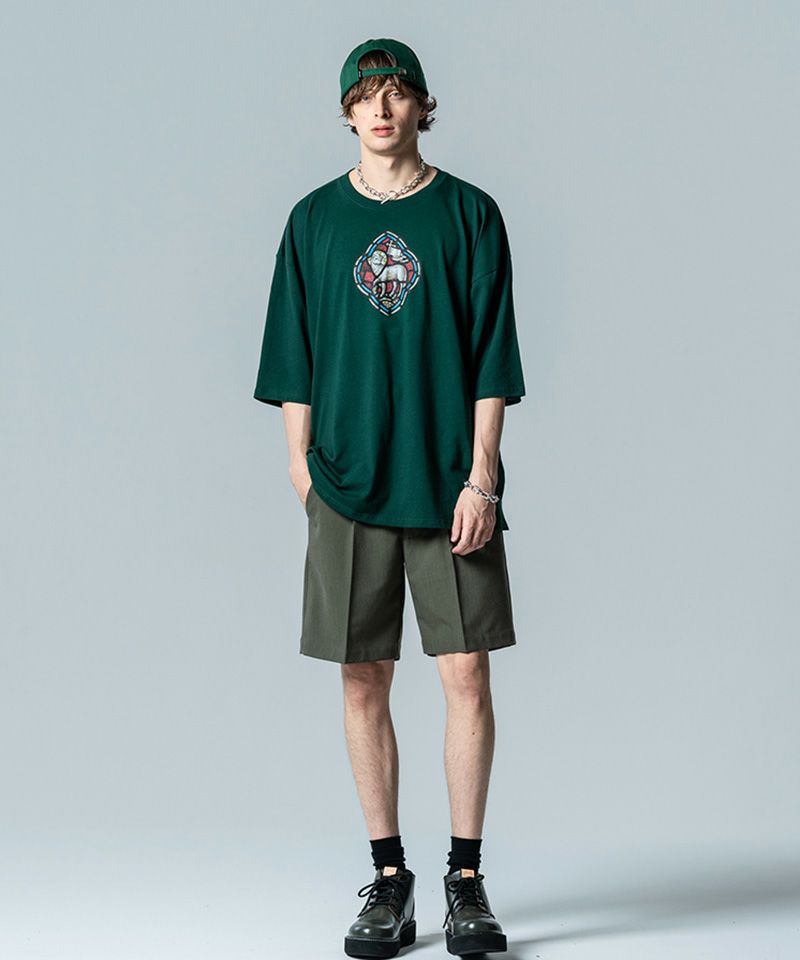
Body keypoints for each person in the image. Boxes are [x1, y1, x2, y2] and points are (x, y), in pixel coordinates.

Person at [254, 37, 526, 959]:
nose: (381, 109)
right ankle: (389, 878)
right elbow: (292, 353)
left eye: (397, 93)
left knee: (466, 674)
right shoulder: (313, 220)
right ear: (346, 111)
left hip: (450, 484)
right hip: (345, 481)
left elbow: (492, 357)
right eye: (365, 95)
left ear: (421, 106)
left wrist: (483, 475)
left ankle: (466, 880)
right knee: (362, 676)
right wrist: (301, 469)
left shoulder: (470, 214)